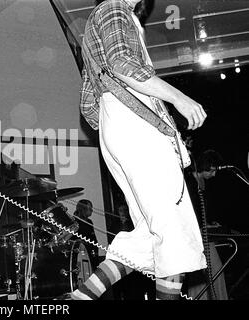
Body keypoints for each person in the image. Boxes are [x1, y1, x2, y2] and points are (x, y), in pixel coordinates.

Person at [66, 0, 208, 300]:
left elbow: (88, 101)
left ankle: (80, 298)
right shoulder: (113, 8)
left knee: (148, 235)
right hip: (134, 127)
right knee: (173, 232)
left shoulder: (106, 15)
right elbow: (121, 63)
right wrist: (179, 98)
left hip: (120, 125)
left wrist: (114, 124)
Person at [184, 149, 228, 300]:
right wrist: (202, 225)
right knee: (201, 274)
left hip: (204, 234)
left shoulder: (203, 183)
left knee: (215, 272)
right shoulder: (189, 182)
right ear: (205, 166)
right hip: (194, 236)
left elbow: (201, 211)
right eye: (212, 171)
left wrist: (209, 223)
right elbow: (188, 213)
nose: (214, 175)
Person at [73, 199, 100, 269]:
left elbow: (93, 239)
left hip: (91, 254)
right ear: (83, 209)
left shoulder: (89, 222)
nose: (92, 210)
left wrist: (96, 253)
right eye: (90, 208)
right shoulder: (74, 222)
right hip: (80, 254)